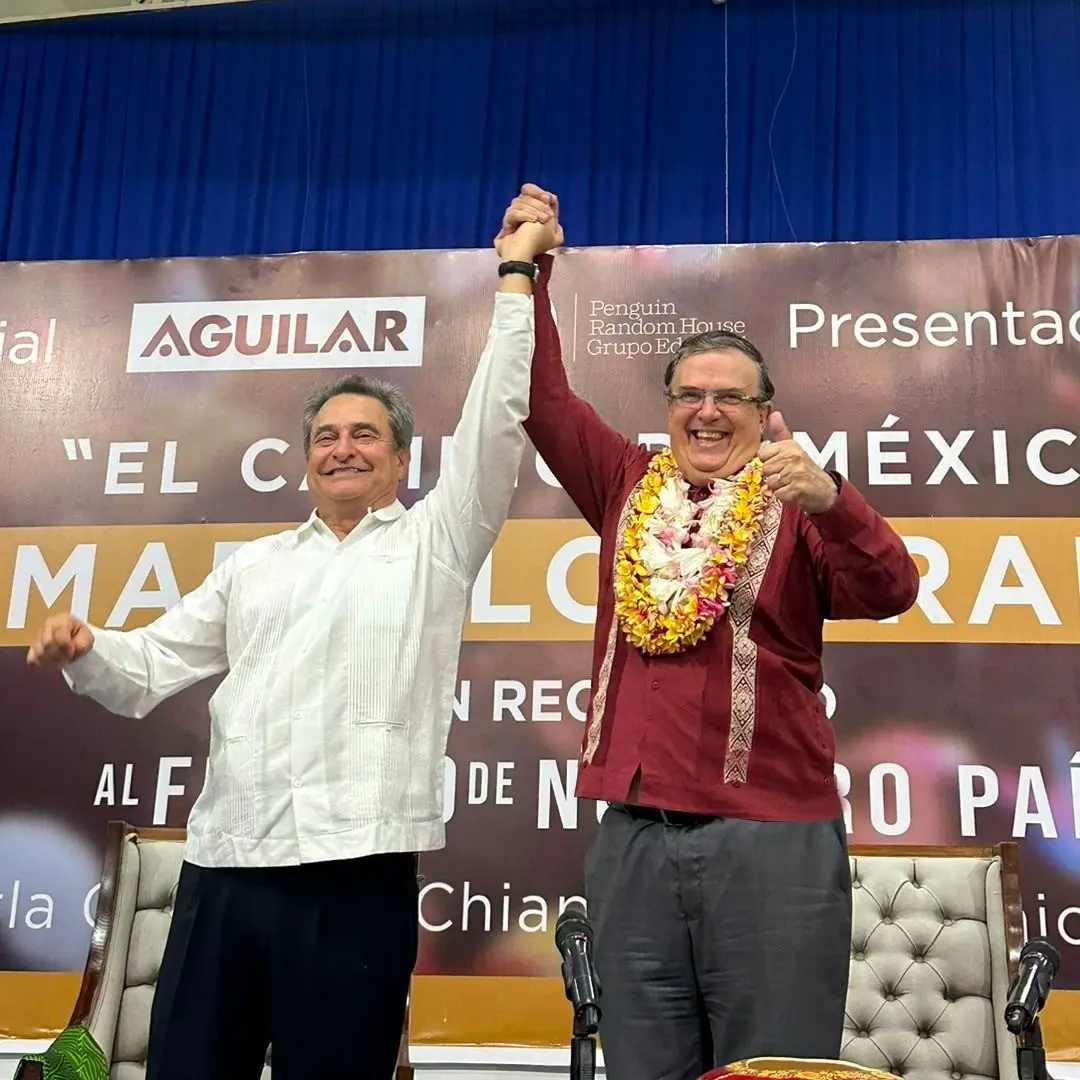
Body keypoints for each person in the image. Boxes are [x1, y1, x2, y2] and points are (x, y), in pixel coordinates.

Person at [24, 205, 563, 1080]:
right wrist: (87, 649)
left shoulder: (437, 543)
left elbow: (498, 421)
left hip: (355, 876)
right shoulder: (253, 566)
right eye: (325, 437)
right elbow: (150, 667)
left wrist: (515, 278)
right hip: (225, 869)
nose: (341, 449)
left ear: (400, 461)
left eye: (364, 436)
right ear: (305, 460)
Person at [501, 185, 921, 1080]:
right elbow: (540, 399)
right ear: (666, 406)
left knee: (768, 1072)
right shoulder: (623, 482)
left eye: (730, 398)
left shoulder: (798, 500)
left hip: (769, 836)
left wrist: (836, 501)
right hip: (635, 836)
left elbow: (892, 589)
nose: (707, 412)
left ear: (766, 411)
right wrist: (525, 272)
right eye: (690, 394)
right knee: (644, 1067)